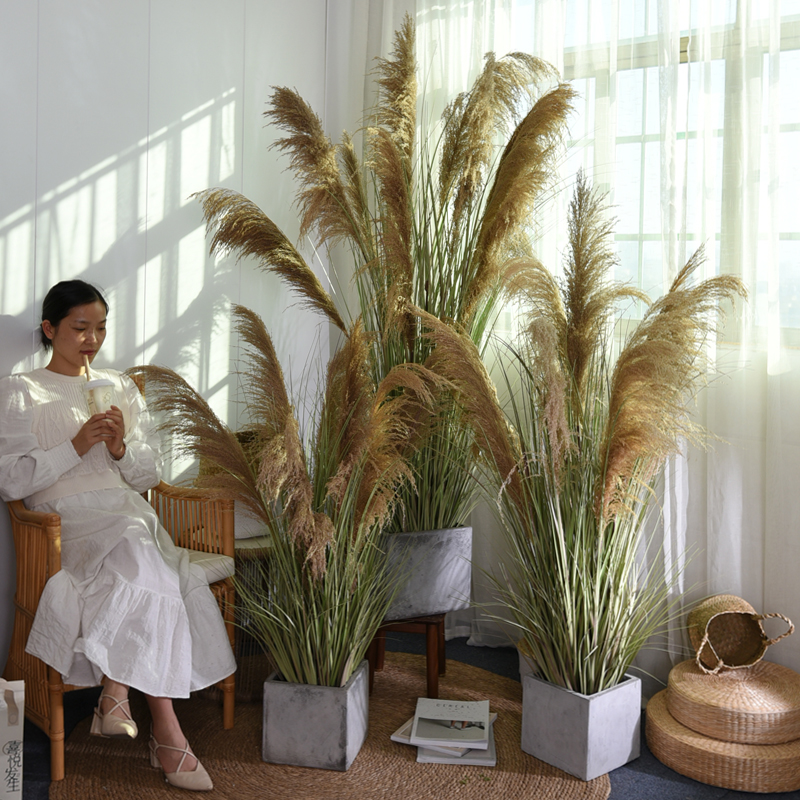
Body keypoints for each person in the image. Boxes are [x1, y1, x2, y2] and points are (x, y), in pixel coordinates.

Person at [0, 280, 236, 792]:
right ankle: (166, 735)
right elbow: (12, 481)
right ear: (50, 329)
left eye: (100, 328)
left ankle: (116, 693)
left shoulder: (120, 386)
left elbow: (148, 478)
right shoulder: (20, 389)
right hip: (64, 522)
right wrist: (76, 443)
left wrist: (121, 447)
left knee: (136, 539)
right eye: (80, 328)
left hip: (125, 511)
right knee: (144, 552)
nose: (92, 339)